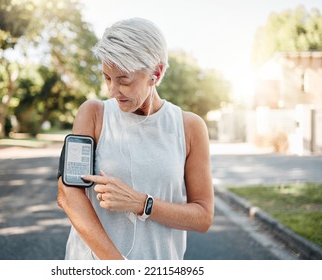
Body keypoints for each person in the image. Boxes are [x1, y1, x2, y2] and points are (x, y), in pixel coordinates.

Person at [57, 17, 214, 260]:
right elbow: (68, 195)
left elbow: (203, 217)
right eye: (107, 78)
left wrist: (142, 203)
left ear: (156, 73)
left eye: (124, 80)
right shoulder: (93, 114)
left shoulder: (189, 127)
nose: (112, 91)